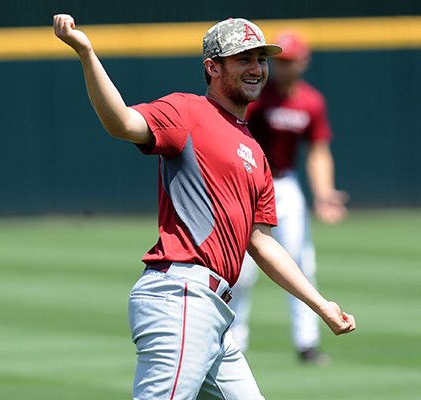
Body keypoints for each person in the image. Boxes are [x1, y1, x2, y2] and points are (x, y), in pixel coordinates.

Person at [53, 14, 355, 399]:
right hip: (180, 297)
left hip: (213, 315)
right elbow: (122, 123)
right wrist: (86, 53)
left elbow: (261, 244)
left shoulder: (255, 153)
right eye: (243, 58)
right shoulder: (186, 112)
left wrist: (320, 305)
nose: (257, 68)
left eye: (261, 59)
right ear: (212, 67)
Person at [229, 30, 348, 365]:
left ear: (303, 62)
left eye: (290, 60)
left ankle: (306, 343)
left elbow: (318, 151)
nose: (282, 67)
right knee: (241, 271)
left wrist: (324, 194)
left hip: (285, 185)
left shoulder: (310, 101)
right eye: (278, 61)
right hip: (248, 185)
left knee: (299, 263)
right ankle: (235, 344)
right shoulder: (255, 98)